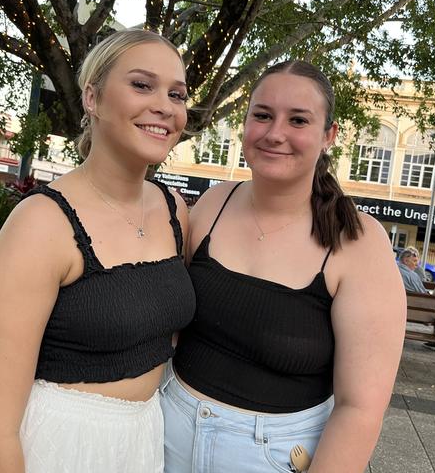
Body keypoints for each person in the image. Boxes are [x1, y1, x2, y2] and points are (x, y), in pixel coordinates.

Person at [0, 29, 195, 473]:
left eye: (176, 93)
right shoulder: (41, 224)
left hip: (141, 442)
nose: (165, 105)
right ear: (92, 98)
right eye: (142, 85)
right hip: (51, 447)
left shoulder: (174, 209)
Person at [160, 61, 406, 473]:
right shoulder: (213, 204)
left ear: (329, 135)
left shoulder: (358, 241)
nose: (275, 133)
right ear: (245, 123)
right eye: (262, 115)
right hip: (166, 435)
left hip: (274, 456)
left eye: (298, 120)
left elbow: (359, 408)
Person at [397, 247, 435, 351]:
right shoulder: (413, 276)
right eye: (415, 261)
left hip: (396, 307)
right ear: (406, 260)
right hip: (414, 311)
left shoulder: (392, 270)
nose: (417, 264)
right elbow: (422, 294)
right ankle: (434, 341)